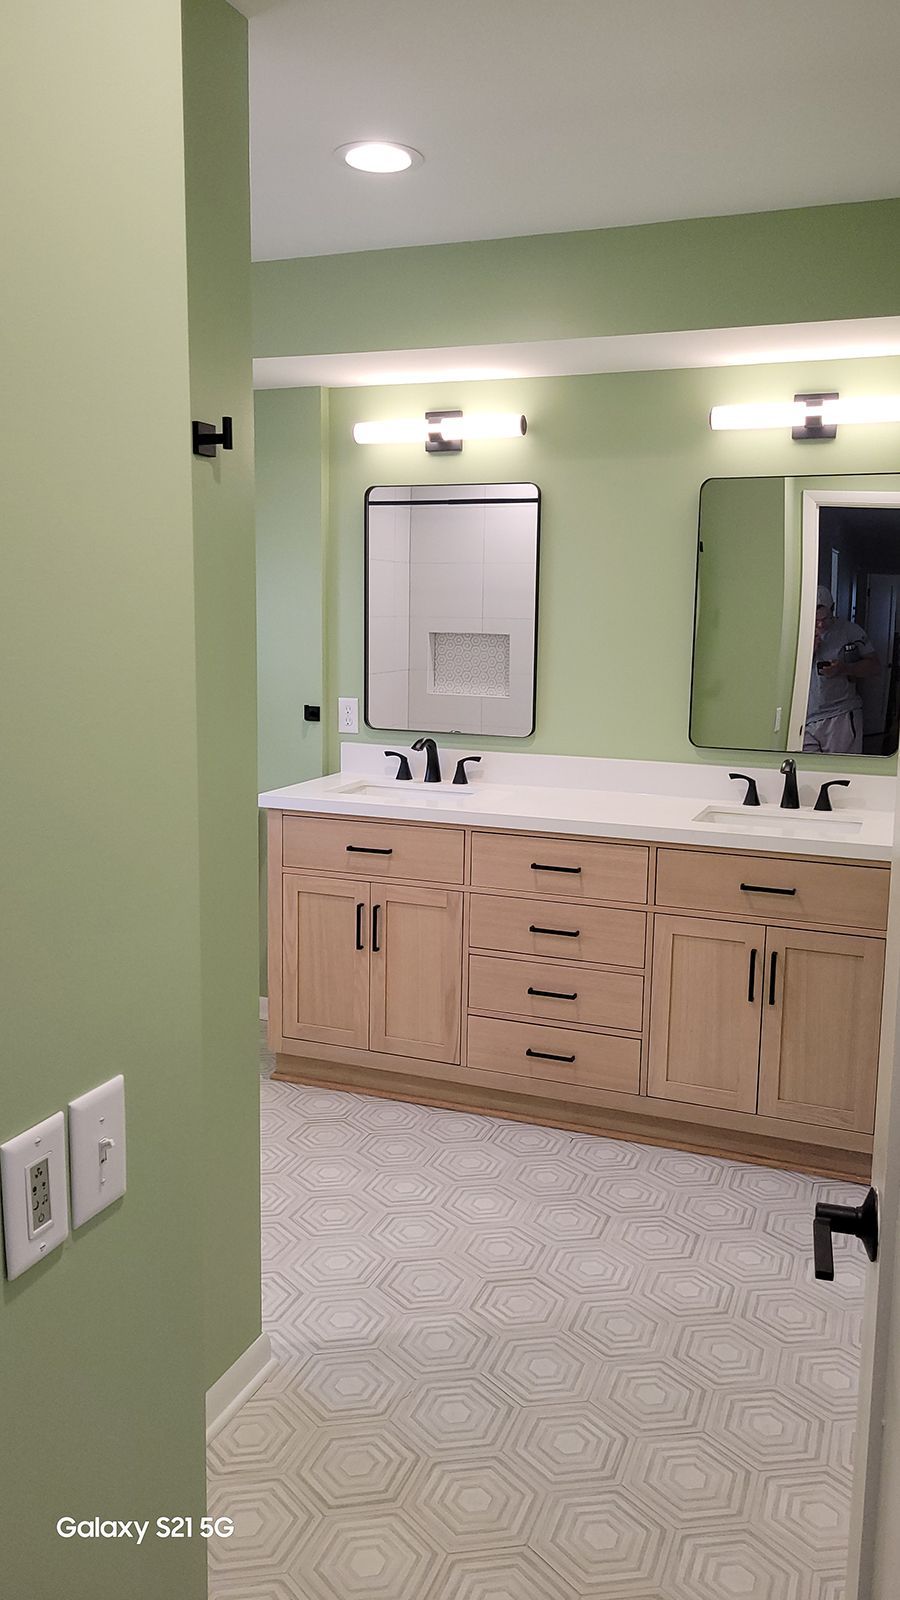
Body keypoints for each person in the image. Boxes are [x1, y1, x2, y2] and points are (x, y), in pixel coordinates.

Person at [803, 585, 879, 754]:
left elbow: (874, 667)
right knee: (808, 773)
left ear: (833, 609)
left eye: (826, 618)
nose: (821, 624)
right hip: (805, 718)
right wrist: (809, 652)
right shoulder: (797, 632)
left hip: (841, 715)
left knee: (841, 775)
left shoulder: (850, 631)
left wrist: (844, 669)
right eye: (815, 620)